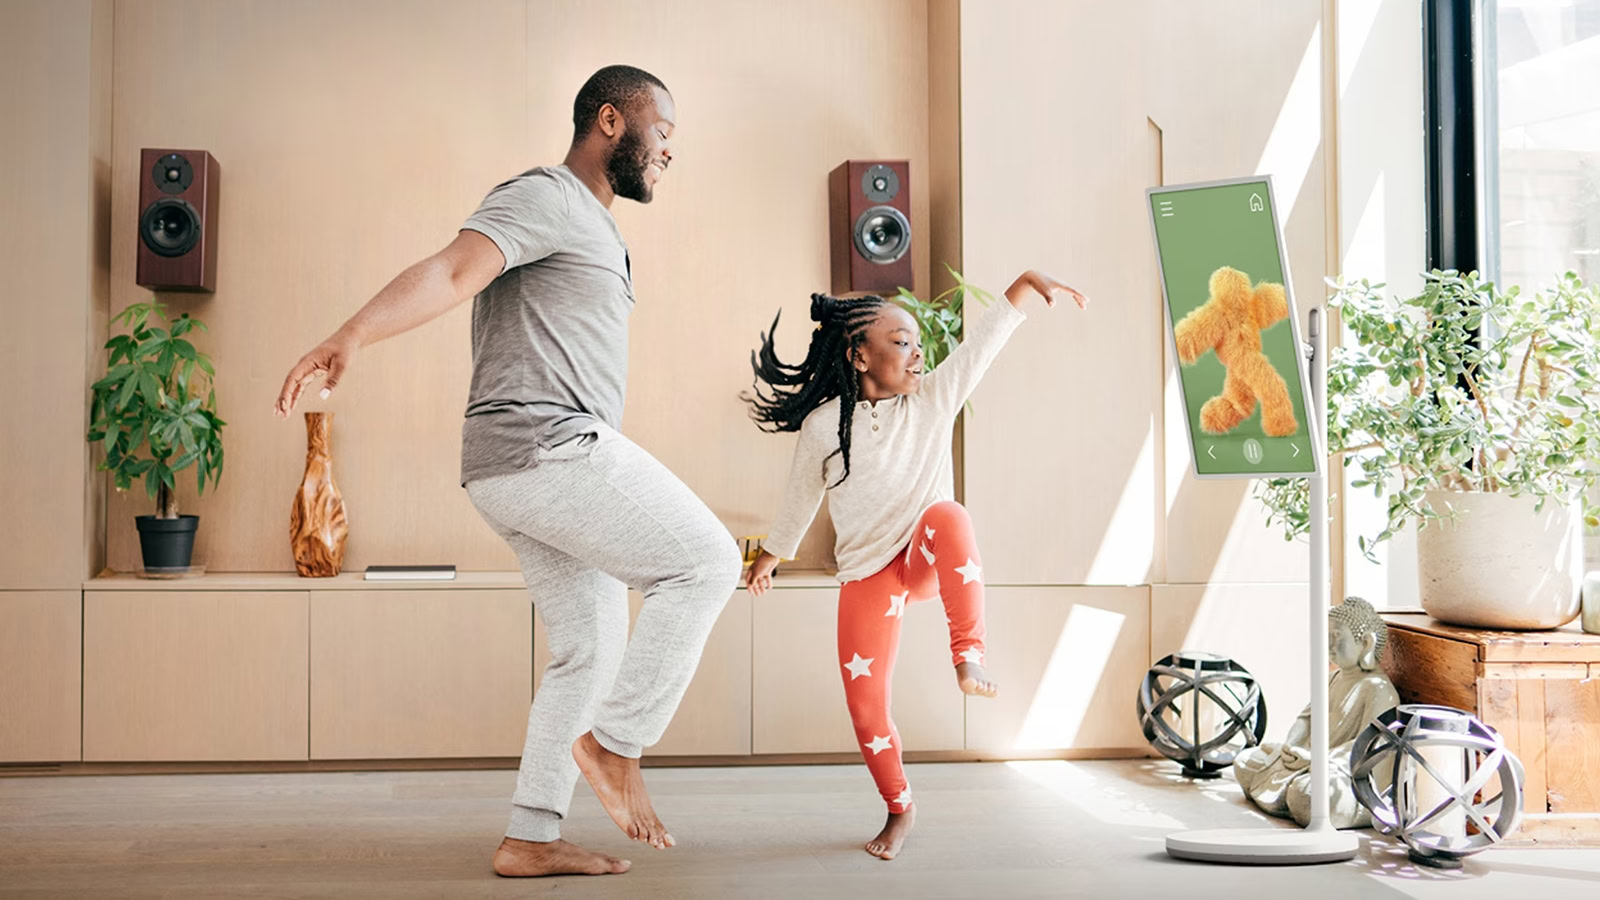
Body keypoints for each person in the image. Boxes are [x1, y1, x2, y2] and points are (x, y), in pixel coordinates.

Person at [274, 65, 742, 879]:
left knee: (590, 647)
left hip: (516, 465)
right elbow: (454, 269)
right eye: (662, 131)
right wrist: (352, 334)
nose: (670, 151)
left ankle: (530, 835)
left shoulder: (596, 226)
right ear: (610, 120)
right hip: (545, 444)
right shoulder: (548, 196)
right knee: (706, 562)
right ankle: (617, 746)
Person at [742, 270, 1089, 859]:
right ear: (859, 356)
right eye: (902, 342)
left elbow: (982, 345)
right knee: (865, 707)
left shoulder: (932, 399)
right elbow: (800, 499)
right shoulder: (824, 426)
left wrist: (1025, 284)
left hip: (924, 558)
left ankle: (968, 654)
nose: (918, 353)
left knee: (950, 515)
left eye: (917, 343)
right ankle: (899, 807)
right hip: (869, 574)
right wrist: (768, 558)